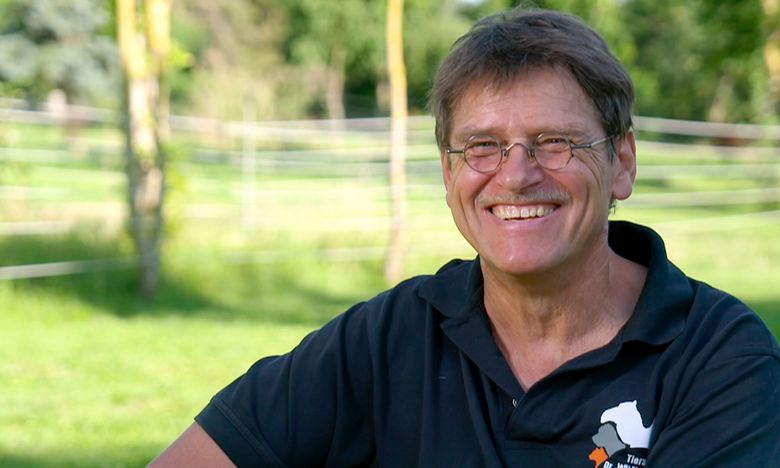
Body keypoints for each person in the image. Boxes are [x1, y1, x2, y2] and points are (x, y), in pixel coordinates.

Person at [150, 7, 780, 468]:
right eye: (482, 145)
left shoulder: (720, 360)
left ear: (623, 162)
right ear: (450, 174)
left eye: (554, 142)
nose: (516, 174)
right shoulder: (389, 338)